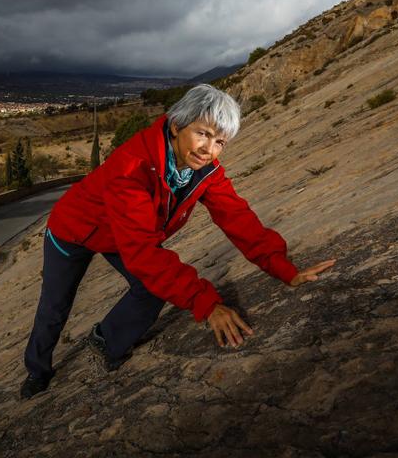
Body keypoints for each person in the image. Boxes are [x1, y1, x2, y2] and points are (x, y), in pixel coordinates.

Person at [21, 84, 335, 398]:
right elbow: (143, 254)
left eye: (219, 141)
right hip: (73, 231)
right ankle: (37, 370)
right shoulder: (133, 167)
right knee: (54, 308)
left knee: (151, 288)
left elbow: (238, 219)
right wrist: (208, 304)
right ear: (176, 125)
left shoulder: (206, 171)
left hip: (123, 234)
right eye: (202, 133)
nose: (208, 149)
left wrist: (284, 269)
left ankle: (106, 341)